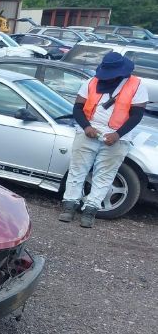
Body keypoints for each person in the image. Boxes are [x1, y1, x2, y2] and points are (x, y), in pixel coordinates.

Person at [59, 52, 148, 227]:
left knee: (104, 176)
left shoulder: (137, 86)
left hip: (117, 137)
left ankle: (90, 211)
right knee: (77, 170)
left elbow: (136, 116)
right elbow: (77, 108)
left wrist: (117, 134)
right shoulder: (91, 82)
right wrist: (87, 127)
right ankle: (69, 206)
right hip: (89, 132)